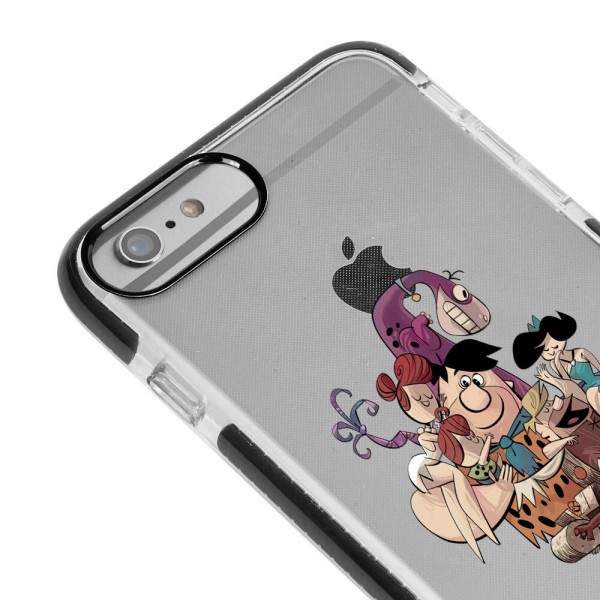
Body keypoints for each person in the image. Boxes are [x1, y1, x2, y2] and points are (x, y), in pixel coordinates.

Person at [513, 312, 600, 416]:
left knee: (592, 394)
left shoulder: (580, 353)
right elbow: (569, 384)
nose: (551, 352)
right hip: (584, 388)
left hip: (596, 381)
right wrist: (557, 365)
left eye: (555, 347)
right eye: (546, 351)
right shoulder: (554, 365)